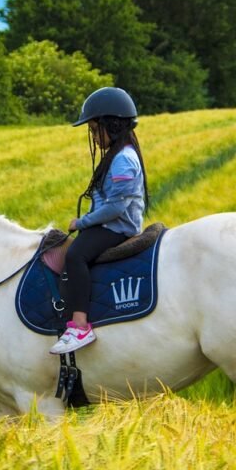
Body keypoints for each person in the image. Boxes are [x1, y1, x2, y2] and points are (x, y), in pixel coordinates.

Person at [50, 87, 150, 354]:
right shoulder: (118, 155)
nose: (94, 137)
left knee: (75, 256)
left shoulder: (124, 160)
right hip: (108, 224)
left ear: (113, 125)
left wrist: (82, 222)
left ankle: (80, 326)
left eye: (96, 130)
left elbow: (116, 208)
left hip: (117, 227)